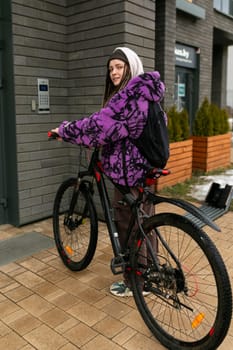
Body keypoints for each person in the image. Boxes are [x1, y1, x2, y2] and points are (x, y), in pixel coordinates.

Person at [51, 47, 166, 297]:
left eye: (119, 67)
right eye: (111, 68)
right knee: (145, 222)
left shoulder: (127, 97)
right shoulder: (146, 94)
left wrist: (65, 130)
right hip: (145, 167)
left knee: (128, 224)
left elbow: (98, 126)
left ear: (131, 67)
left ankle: (136, 281)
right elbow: (115, 129)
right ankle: (152, 271)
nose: (113, 72)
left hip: (128, 172)